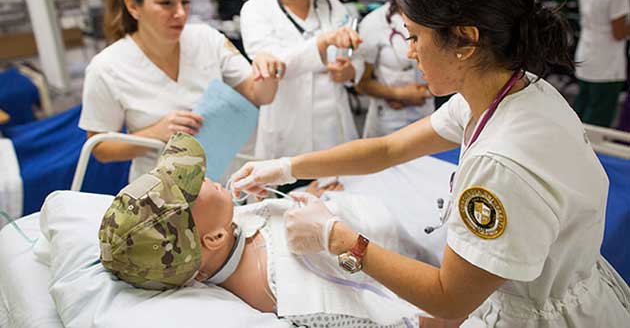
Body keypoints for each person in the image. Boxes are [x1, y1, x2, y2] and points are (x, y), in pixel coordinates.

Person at [230, 0, 630, 327]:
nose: (409, 51)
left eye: (415, 36)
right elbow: (387, 149)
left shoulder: (500, 164)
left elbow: (449, 296)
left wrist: (336, 237)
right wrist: (284, 167)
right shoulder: (508, 89)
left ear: (465, 40)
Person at [99, 132, 427, 327]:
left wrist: (299, 193)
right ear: (213, 238)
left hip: (378, 201)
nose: (207, 178)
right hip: (418, 245)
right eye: (196, 186)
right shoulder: (290, 292)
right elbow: (403, 317)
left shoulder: (230, 232)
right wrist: (333, 232)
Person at [80, 0, 284, 182]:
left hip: (222, 185)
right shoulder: (106, 67)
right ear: (133, 6)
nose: (180, 13)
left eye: (185, 1)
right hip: (160, 194)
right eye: (166, 2)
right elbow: (100, 148)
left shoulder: (207, 39)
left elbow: (260, 95)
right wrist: (155, 134)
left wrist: (268, 70)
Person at [239, 0, 363, 162]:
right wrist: (323, 42)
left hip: (333, 131)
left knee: (338, 192)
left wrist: (350, 71)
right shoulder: (256, 10)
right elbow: (276, 65)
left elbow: (357, 60)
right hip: (286, 132)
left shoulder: (333, 7)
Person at [355, 0, 433, 138]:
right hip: (387, 123)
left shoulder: (437, 20)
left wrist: (425, 93)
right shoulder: (373, 22)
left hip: (426, 119)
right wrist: (398, 94)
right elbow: (361, 84)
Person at [573, 0, 630, 127]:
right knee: (599, 119)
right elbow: (619, 32)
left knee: (581, 110)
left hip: (586, 57)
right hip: (606, 65)